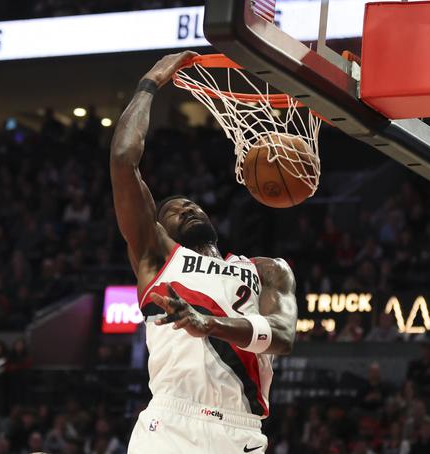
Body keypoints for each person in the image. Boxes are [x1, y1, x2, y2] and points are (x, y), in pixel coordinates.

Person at [110, 51, 298, 454]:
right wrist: (151, 82)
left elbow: (282, 337)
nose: (187, 207)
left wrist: (208, 324)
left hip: (240, 428)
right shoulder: (157, 257)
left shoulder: (266, 270)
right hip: (170, 424)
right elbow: (124, 162)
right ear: (159, 228)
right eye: (172, 208)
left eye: (192, 203)